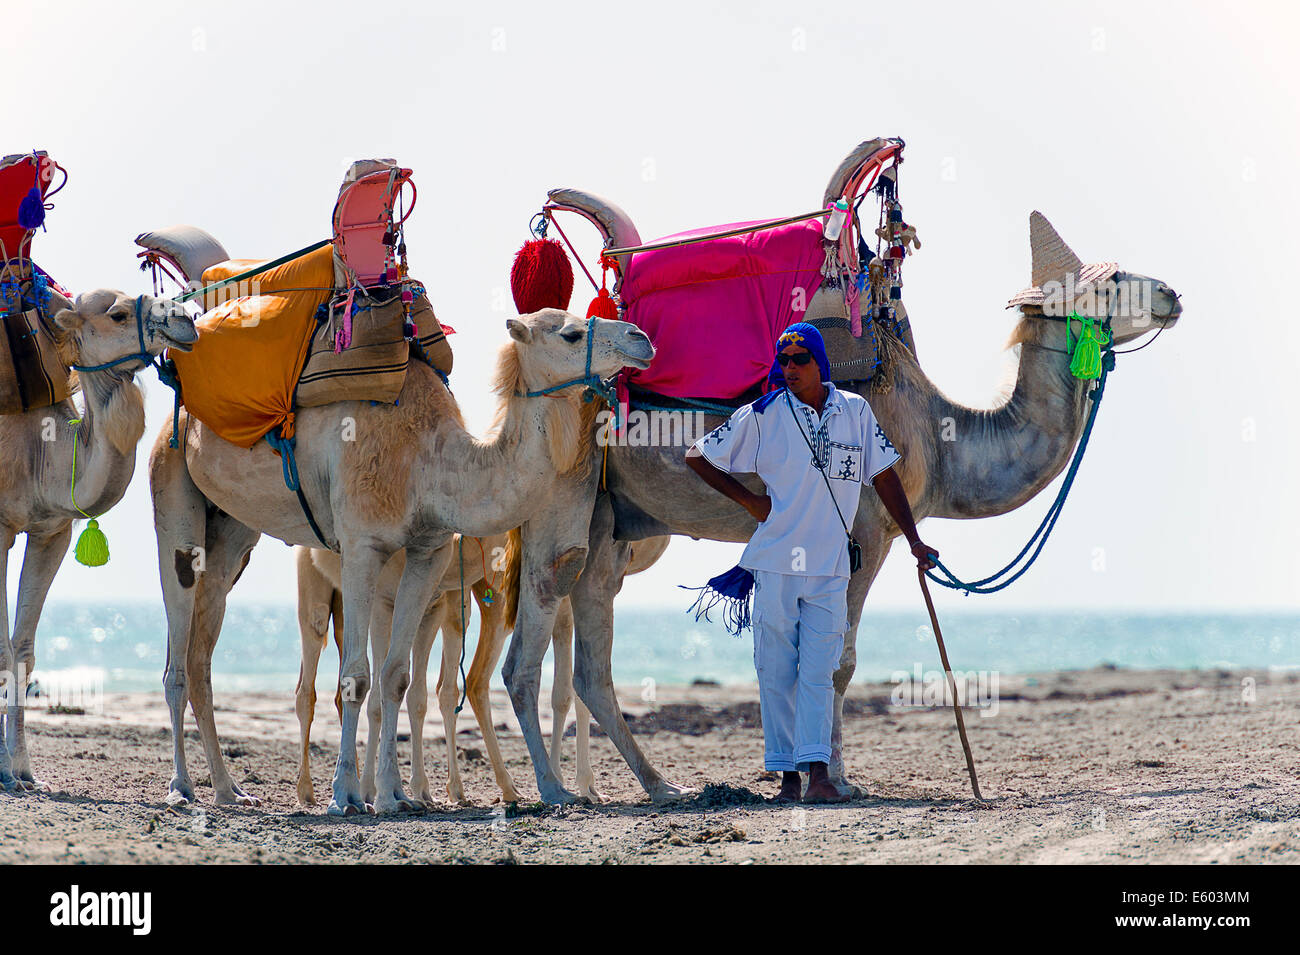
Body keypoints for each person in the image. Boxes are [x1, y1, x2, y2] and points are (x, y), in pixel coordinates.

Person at [685, 322, 937, 803]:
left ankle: (820, 774)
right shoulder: (764, 414)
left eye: (800, 360)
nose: (790, 369)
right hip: (777, 564)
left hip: (831, 567)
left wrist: (914, 540)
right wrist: (749, 503)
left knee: (820, 670)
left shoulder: (856, 413)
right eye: (783, 361)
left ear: (820, 363)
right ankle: (787, 780)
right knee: (776, 672)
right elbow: (698, 455)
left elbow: (883, 475)